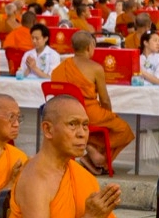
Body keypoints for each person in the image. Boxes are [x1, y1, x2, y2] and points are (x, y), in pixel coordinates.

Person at [50, 30, 136, 169]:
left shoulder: (59, 68)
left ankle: (92, 153)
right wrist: (108, 116)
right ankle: (95, 154)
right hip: (88, 113)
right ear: (89, 47)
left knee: (104, 127)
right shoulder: (95, 68)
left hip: (63, 113)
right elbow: (105, 100)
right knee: (123, 129)